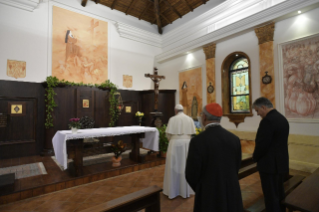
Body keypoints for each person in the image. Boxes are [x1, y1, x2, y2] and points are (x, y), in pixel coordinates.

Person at [185, 103, 243, 212]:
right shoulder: (234, 139)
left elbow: (191, 174)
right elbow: (237, 166)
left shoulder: (197, 141)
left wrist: (202, 188)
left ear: (204, 117)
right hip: (231, 191)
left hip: (208, 194)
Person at [252, 97, 289, 212]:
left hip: (269, 166)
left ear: (263, 107)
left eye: (257, 110)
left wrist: (255, 157)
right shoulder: (282, 118)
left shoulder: (267, 121)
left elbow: (262, 144)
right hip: (281, 163)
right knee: (279, 193)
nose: (258, 114)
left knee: (271, 196)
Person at [163, 104, 196, 199]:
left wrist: (174, 140)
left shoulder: (172, 119)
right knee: (186, 165)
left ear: (175, 111)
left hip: (174, 143)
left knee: (173, 166)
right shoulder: (189, 119)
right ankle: (186, 190)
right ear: (182, 110)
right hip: (187, 143)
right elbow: (192, 133)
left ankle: (173, 190)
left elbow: (168, 135)